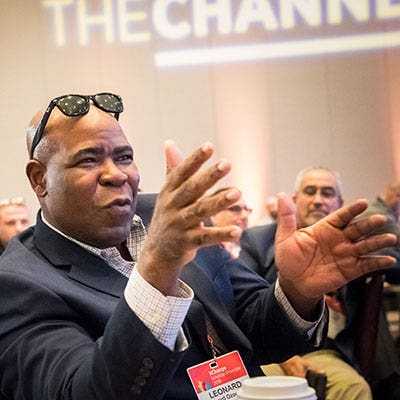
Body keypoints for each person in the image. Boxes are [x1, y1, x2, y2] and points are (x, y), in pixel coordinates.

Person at [0, 93, 396, 400]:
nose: (116, 174)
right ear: (39, 179)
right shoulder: (18, 283)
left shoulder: (169, 215)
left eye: (124, 157)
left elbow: (258, 334)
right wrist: (157, 269)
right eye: (88, 160)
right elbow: (83, 392)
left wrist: (295, 291)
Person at [239, 167, 400, 400]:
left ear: (339, 203)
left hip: (326, 350)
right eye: (310, 191)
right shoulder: (258, 240)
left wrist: (357, 251)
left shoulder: (351, 244)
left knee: (354, 388)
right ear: (295, 200)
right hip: (270, 351)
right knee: (267, 389)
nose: (317, 200)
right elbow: (242, 302)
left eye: (327, 193)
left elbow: (393, 264)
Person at [210, 187, 252, 257]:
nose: (245, 215)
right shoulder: (202, 249)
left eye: (246, 209)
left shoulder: (253, 247)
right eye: (236, 209)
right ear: (214, 213)